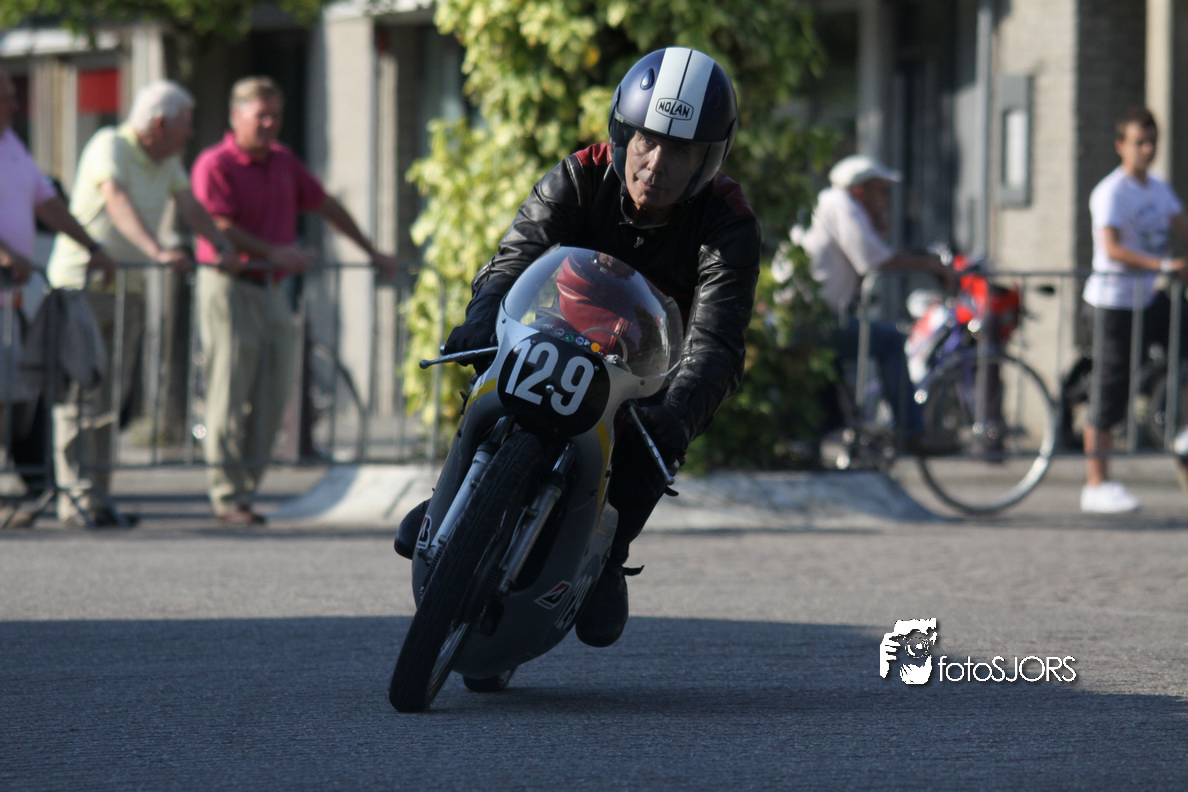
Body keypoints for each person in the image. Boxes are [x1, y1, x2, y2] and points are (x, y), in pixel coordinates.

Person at [393, 47, 761, 648]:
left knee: (656, 442)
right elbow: (515, 255)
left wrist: (680, 408)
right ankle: (452, 496)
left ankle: (610, 554)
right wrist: (482, 319)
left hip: (645, 365)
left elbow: (718, 339)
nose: (656, 164)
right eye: (646, 140)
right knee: (491, 364)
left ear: (709, 159)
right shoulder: (579, 173)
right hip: (556, 328)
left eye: (681, 151)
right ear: (623, 133)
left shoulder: (729, 221)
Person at [190, 76, 398, 525]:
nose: (269, 124)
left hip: (272, 289)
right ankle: (227, 495)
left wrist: (371, 250)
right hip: (230, 285)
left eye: (276, 115)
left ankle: (245, 489)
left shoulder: (283, 161)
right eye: (260, 115)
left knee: (273, 391)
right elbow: (217, 224)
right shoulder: (215, 163)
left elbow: (325, 204)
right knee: (230, 389)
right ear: (236, 116)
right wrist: (273, 252)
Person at [45, 79, 236, 528]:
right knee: (80, 396)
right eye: (185, 124)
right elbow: (116, 199)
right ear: (159, 123)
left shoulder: (166, 161)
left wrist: (222, 244)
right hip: (82, 287)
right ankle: (75, 499)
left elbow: (190, 206)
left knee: (110, 398)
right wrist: (157, 251)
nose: (190, 132)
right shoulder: (109, 144)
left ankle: (99, 497)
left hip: (126, 291)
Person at [0, 68, 119, 528]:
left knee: (9, 397)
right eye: (6, 97)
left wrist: (91, 246)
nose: (15, 105)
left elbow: (47, 202)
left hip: (9, 295)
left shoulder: (12, 144)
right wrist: (6, 254)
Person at [794, 154, 953, 449]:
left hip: (811, 315)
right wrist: (933, 266)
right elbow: (874, 261)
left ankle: (828, 438)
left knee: (835, 382)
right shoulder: (842, 206)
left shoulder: (831, 203)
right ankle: (911, 432)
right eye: (880, 190)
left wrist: (878, 226)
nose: (885, 198)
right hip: (811, 320)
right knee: (890, 341)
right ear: (860, 190)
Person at [1080, 107, 1188, 514]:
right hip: (1113, 303)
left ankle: (1180, 426)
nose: (1147, 149)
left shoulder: (1158, 188)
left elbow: (1182, 225)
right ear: (1120, 145)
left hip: (1147, 299)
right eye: (1139, 142)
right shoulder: (1111, 192)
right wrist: (1164, 265)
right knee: (1110, 389)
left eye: (1152, 142)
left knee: (1183, 342)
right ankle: (1096, 483)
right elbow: (1112, 249)